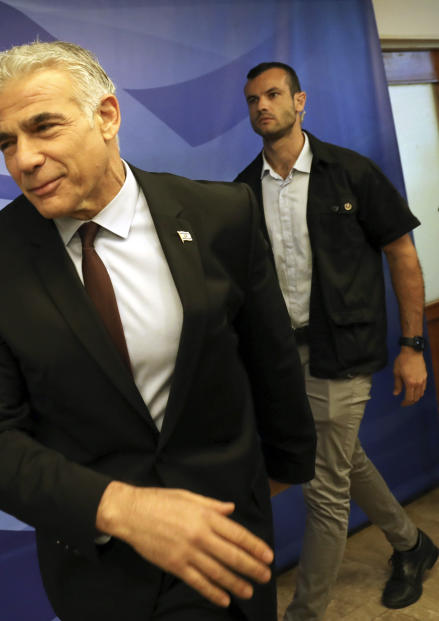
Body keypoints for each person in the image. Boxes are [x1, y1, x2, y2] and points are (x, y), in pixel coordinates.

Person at [0, 41, 316, 621]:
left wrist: (274, 475)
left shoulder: (221, 214)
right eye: (7, 141)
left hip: (226, 545)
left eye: (44, 127)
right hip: (100, 574)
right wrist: (120, 509)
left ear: (107, 116)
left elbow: (269, 360)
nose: (25, 158)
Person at [235, 61, 436, 620]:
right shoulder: (243, 192)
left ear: (300, 102)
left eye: (273, 95)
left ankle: (305, 613)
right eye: (252, 100)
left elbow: (402, 255)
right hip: (282, 356)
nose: (262, 107)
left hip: (343, 352)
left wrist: (413, 347)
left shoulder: (351, 173)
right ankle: (412, 544)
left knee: (325, 488)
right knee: (345, 460)